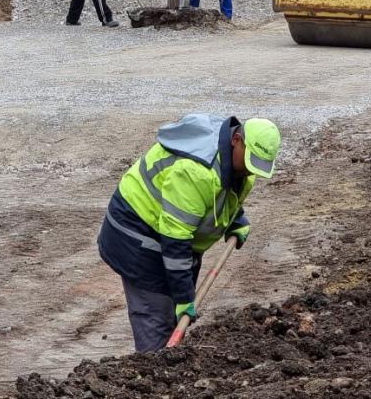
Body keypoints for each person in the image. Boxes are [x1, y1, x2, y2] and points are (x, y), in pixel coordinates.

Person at [97, 114, 281, 352]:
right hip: (136, 235)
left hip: (169, 231)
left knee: (175, 312)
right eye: (249, 161)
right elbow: (176, 240)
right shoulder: (195, 172)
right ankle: (151, 373)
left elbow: (218, 193)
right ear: (237, 139)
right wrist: (185, 297)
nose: (250, 169)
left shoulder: (237, 164)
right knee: (156, 315)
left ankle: (165, 364)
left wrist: (235, 218)